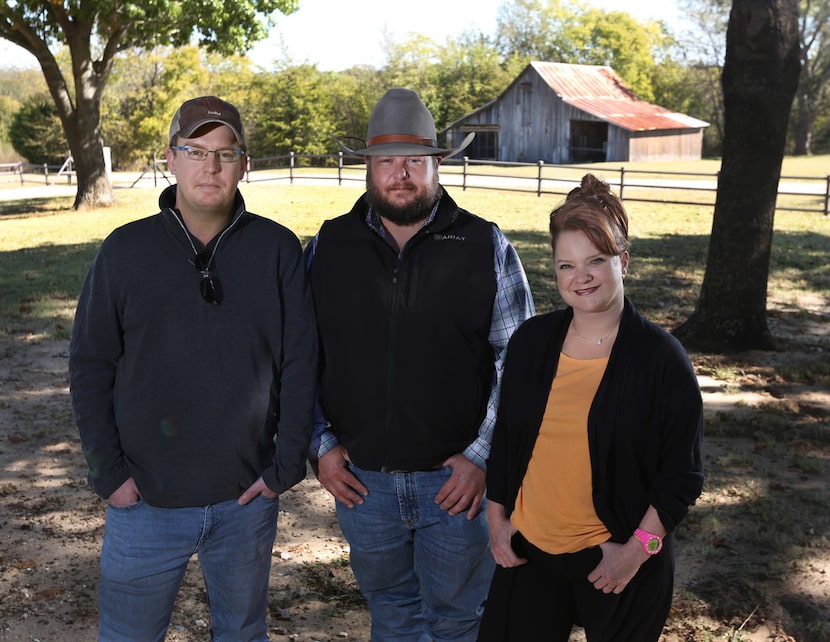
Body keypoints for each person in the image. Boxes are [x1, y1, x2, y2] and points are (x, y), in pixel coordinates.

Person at [68, 95, 318, 641]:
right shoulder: (124, 251)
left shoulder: (277, 250)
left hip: (245, 500)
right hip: (145, 502)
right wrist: (110, 475)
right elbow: (90, 366)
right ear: (170, 159)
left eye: (226, 154)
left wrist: (283, 468)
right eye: (195, 151)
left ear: (244, 164)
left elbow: (301, 361)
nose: (211, 167)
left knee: (242, 632)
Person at [305, 87, 535, 641]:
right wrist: (319, 444)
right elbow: (298, 357)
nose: (401, 174)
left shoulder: (486, 246)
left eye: (416, 160)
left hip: (456, 485)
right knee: (391, 614)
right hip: (363, 484)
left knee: (456, 620)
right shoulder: (327, 248)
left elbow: (520, 361)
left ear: (437, 165)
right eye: (387, 161)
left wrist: (483, 458)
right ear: (368, 168)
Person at [478, 173, 704, 641]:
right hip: (529, 550)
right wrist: (497, 521)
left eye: (595, 261)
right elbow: (508, 439)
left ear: (623, 260)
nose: (580, 277)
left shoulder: (660, 358)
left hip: (614, 555)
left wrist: (637, 551)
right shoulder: (532, 342)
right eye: (566, 265)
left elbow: (682, 475)